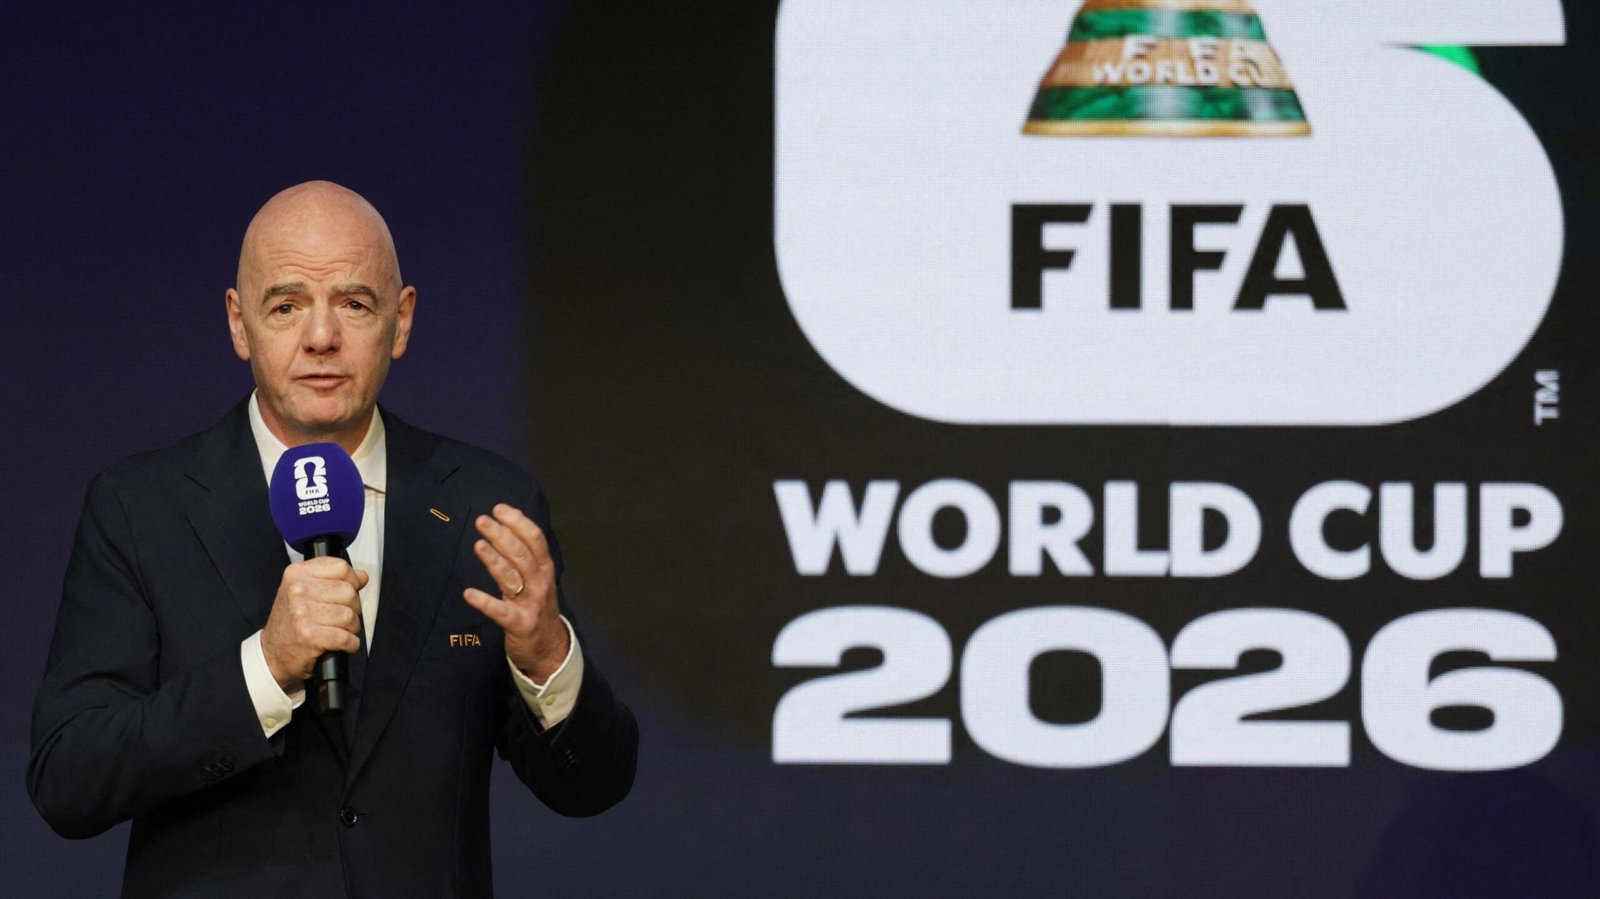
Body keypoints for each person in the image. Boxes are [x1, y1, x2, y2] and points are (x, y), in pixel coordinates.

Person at [27, 181, 638, 898]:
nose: (321, 337)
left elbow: (592, 786)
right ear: (239, 324)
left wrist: (548, 657)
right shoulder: (139, 508)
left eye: (354, 303)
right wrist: (265, 668)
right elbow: (68, 777)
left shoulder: (485, 506)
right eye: (286, 306)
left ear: (401, 322)